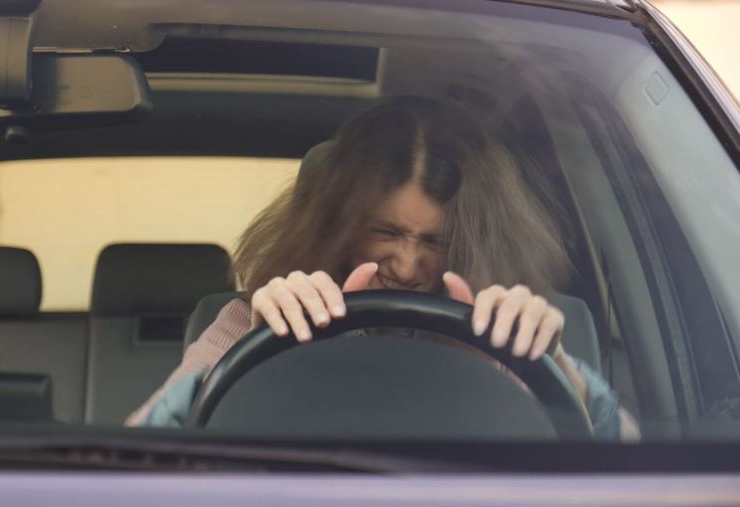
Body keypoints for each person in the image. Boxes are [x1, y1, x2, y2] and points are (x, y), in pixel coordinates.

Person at [126, 96, 639, 441]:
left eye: (436, 241)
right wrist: (259, 353)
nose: (407, 263)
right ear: (335, 224)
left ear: (474, 241)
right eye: (387, 232)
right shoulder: (253, 321)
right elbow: (133, 456)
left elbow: (628, 459)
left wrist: (554, 364)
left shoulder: (502, 330)